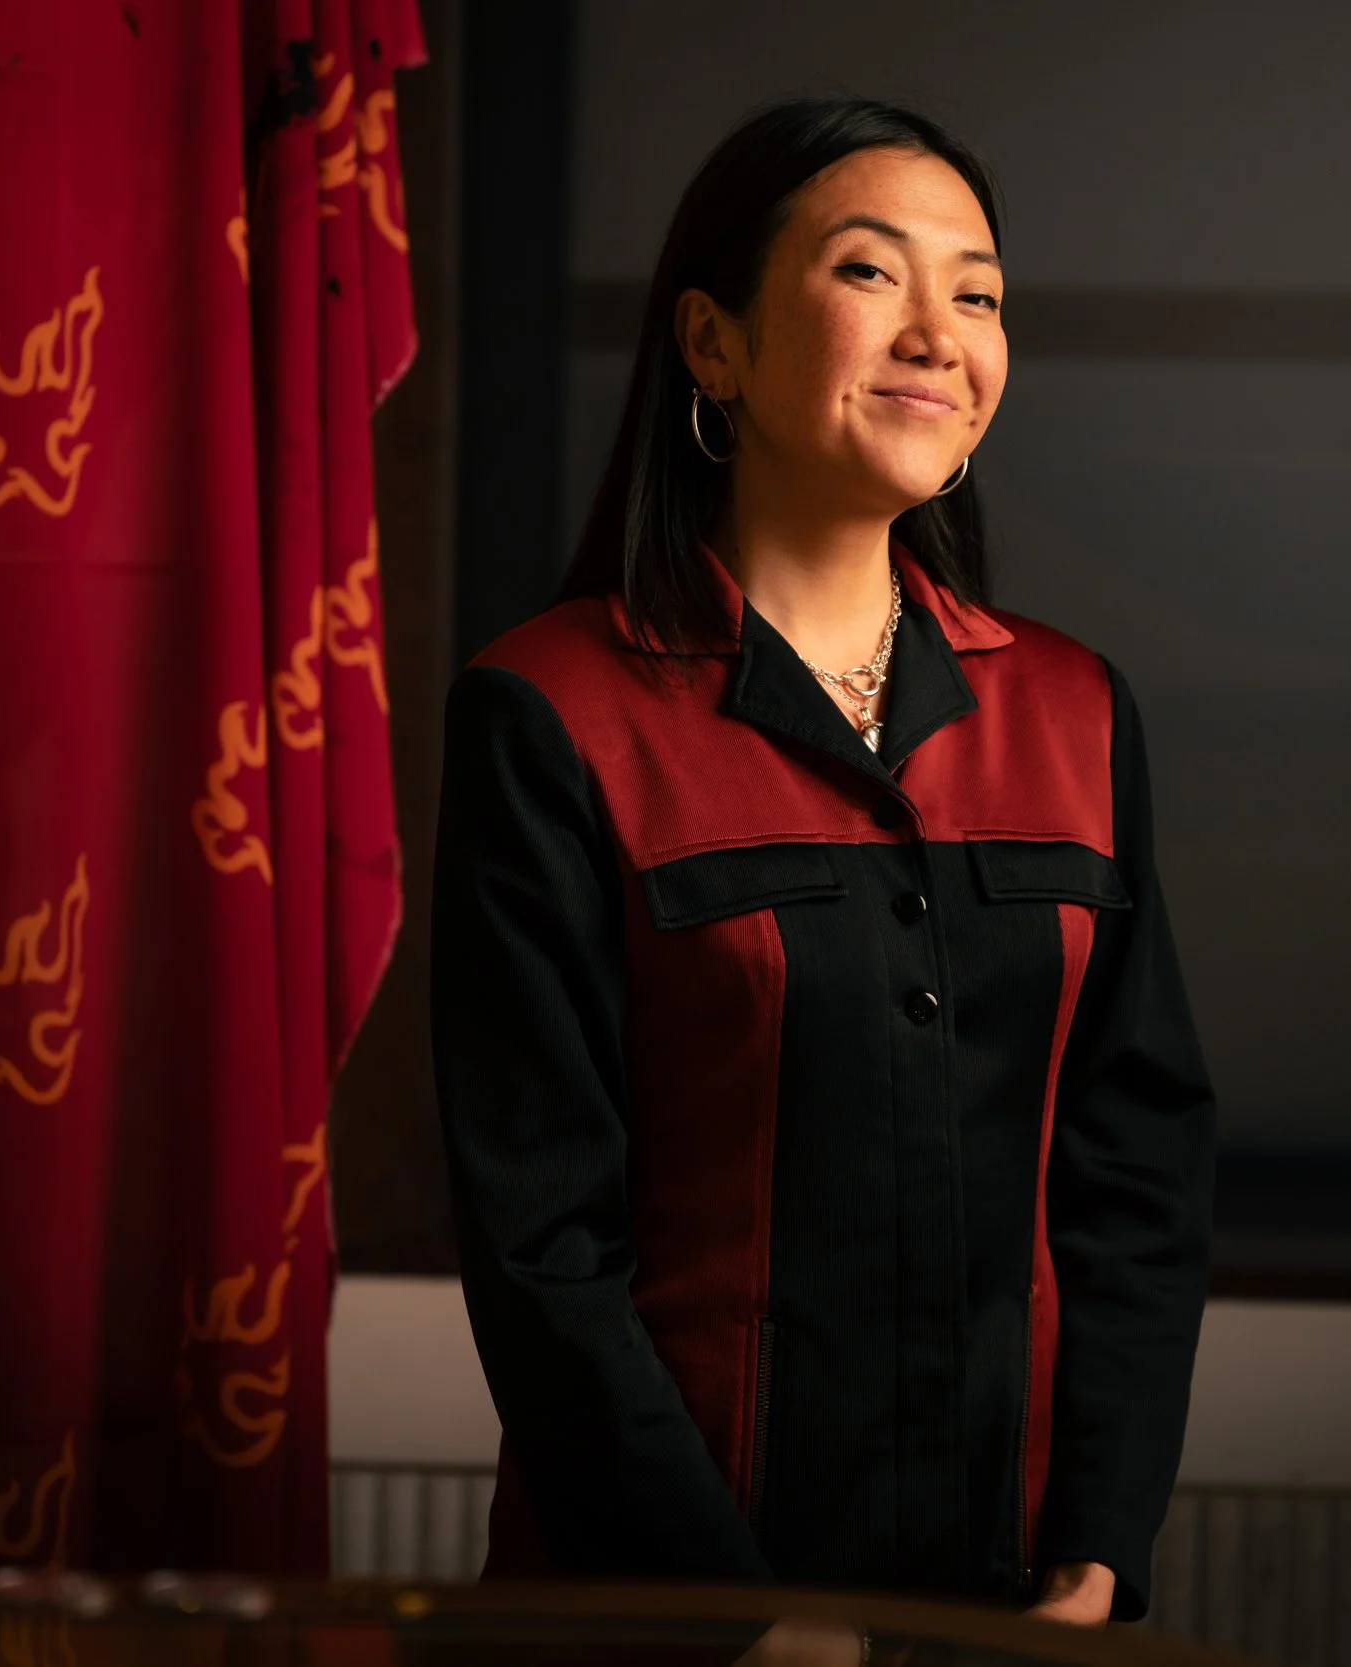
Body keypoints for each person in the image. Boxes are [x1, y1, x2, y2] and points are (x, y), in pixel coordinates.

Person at [431, 96, 1215, 1640]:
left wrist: (1101, 1550)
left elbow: (1137, 1176)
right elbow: (541, 1249)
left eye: (978, 293)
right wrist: (738, 1618)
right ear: (712, 343)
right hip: (661, 1619)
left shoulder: (1073, 712)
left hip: (1024, 1606)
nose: (941, 332)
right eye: (874, 273)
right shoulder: (553, 714)